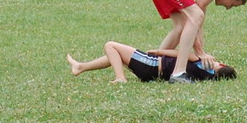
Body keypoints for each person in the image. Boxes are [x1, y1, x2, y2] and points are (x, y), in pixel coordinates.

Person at [138, 0, 247, 83]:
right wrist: (200, 53)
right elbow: (196, 17)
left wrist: (201, 49)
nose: (228, 8)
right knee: (194, 16)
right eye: (232, 5)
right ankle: (178, 72)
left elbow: (198, 23)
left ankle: (155, 64)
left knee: (181, 24)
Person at [67, 42, 236, 83]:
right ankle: (81, 67)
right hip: (153, 73)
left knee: (110, 46)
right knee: (116, 56)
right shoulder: (206, 76)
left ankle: (120, 78)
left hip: (151, 64)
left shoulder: (202, 63)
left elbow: (181, 53)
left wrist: (159, 51)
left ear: (221, 66)